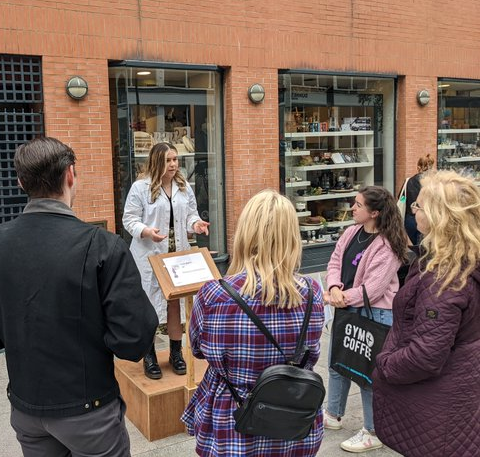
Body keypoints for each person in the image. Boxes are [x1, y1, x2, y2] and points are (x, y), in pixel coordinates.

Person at [0, 137, 158, 456]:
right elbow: (133, 338)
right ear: (70, 175)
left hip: (27, 407)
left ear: (21, 181)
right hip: (88, 408)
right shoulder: (102, 246)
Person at [181, 190, 325, 456]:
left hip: (232, 422)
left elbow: (199, 349)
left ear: (245, 234)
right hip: (292, 423)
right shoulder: (313, 292)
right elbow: (311, 355)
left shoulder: (215, 294)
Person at [373, 171, 480, 456]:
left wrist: (384, 364)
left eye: (417, 206)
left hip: (437, 405)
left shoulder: (444, 278)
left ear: (437, 216)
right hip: (458, 393)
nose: (412, 211)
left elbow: (426, 355)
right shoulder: (463, 259)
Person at [323, 186, 409, 453]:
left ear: (375, 212)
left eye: (358, 205)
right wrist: (335, 287)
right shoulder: (351, 232)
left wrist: (340, 298)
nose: (353, 208)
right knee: (337, 363)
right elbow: (335, 261)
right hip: (347, 308)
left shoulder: (388, 245)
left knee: (368, 374)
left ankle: (373, 431)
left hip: (376, 315)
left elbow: (374, 289)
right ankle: (333, 414)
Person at [122, 142, 210, 379]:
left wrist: (196, 224)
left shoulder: (183, 187)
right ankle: (149, 354)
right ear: (157, 161)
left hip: (176, 256)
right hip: (150, 257)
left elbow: (191, 214)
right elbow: (128, 219)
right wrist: (146, 231)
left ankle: (175, 353)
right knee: (148, 307)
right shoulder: (140, 188)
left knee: (175, 304)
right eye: (168, 160)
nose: (173, 165)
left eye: (175, 160)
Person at [400, 154, 435, 247]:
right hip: (426, 218)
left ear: (418, 167)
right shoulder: (434, 183)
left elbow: (402, 197)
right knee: (424, 248)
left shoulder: (409, 181)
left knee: (410, 247)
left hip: (410, 219)